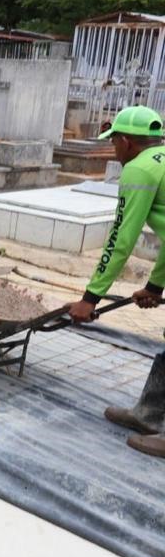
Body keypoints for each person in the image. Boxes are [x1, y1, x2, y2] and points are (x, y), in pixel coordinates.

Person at [67, 105, 165, 458]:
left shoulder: (140, 168)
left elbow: (121, 239)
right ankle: (149, 415)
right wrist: (155, 287)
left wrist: (90, 298)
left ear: (126, 141)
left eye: (114, 143)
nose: (114, 151)